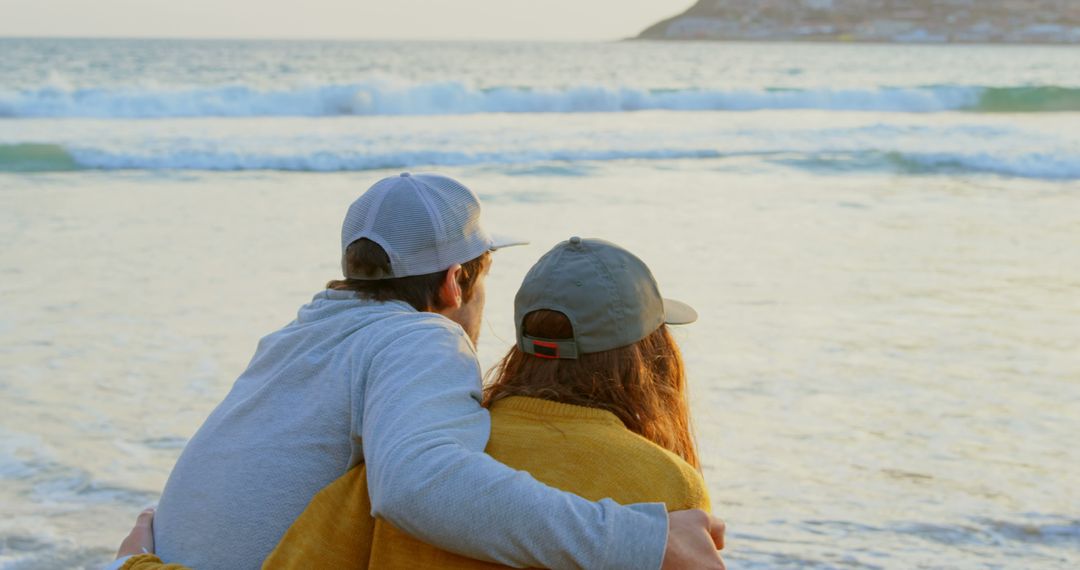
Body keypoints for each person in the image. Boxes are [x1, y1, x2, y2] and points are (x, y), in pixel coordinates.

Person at [120, 174, 725, 570]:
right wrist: (642, 541)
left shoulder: (293, 340)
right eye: (483, 280)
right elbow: (419, 487)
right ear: (453, 282)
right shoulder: (422, 339)